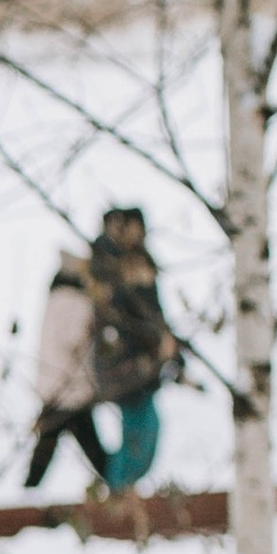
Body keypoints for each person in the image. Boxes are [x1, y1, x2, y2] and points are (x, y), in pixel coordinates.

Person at [87, 206, 176, 492]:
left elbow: (153, 316)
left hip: (142, 367)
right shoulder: (111, 266)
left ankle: (121, 492)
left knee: (144, 435)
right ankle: (117, 495)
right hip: (128, 367)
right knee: (138, 436)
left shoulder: (134, 263)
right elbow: (126, 320)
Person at [23, 247, 111, 489]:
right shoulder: (75, 301)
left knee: (47, 447)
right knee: (92, 450)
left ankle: (29, 493)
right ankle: (117, 487)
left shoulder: (54, 299)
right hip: (70, 388)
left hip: (54, 386)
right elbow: (75, 339)